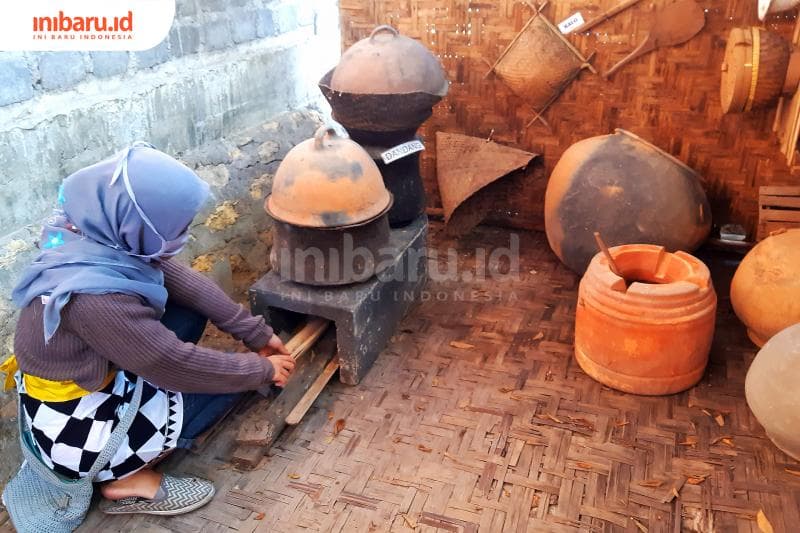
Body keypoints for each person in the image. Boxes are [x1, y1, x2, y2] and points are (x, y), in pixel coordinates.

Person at [4, 143, 296, 517]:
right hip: (77, 432)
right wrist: (260, 369)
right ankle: (124, 478)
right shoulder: (96, 299)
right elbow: (174, 363)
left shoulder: (93, 233)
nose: (184, 236)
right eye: (179, 227)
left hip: (90, 374)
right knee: (235, 386)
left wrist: (255, 333)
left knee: (188, 315)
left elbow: (181, 280)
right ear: (136, 222)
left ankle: (141, 421)